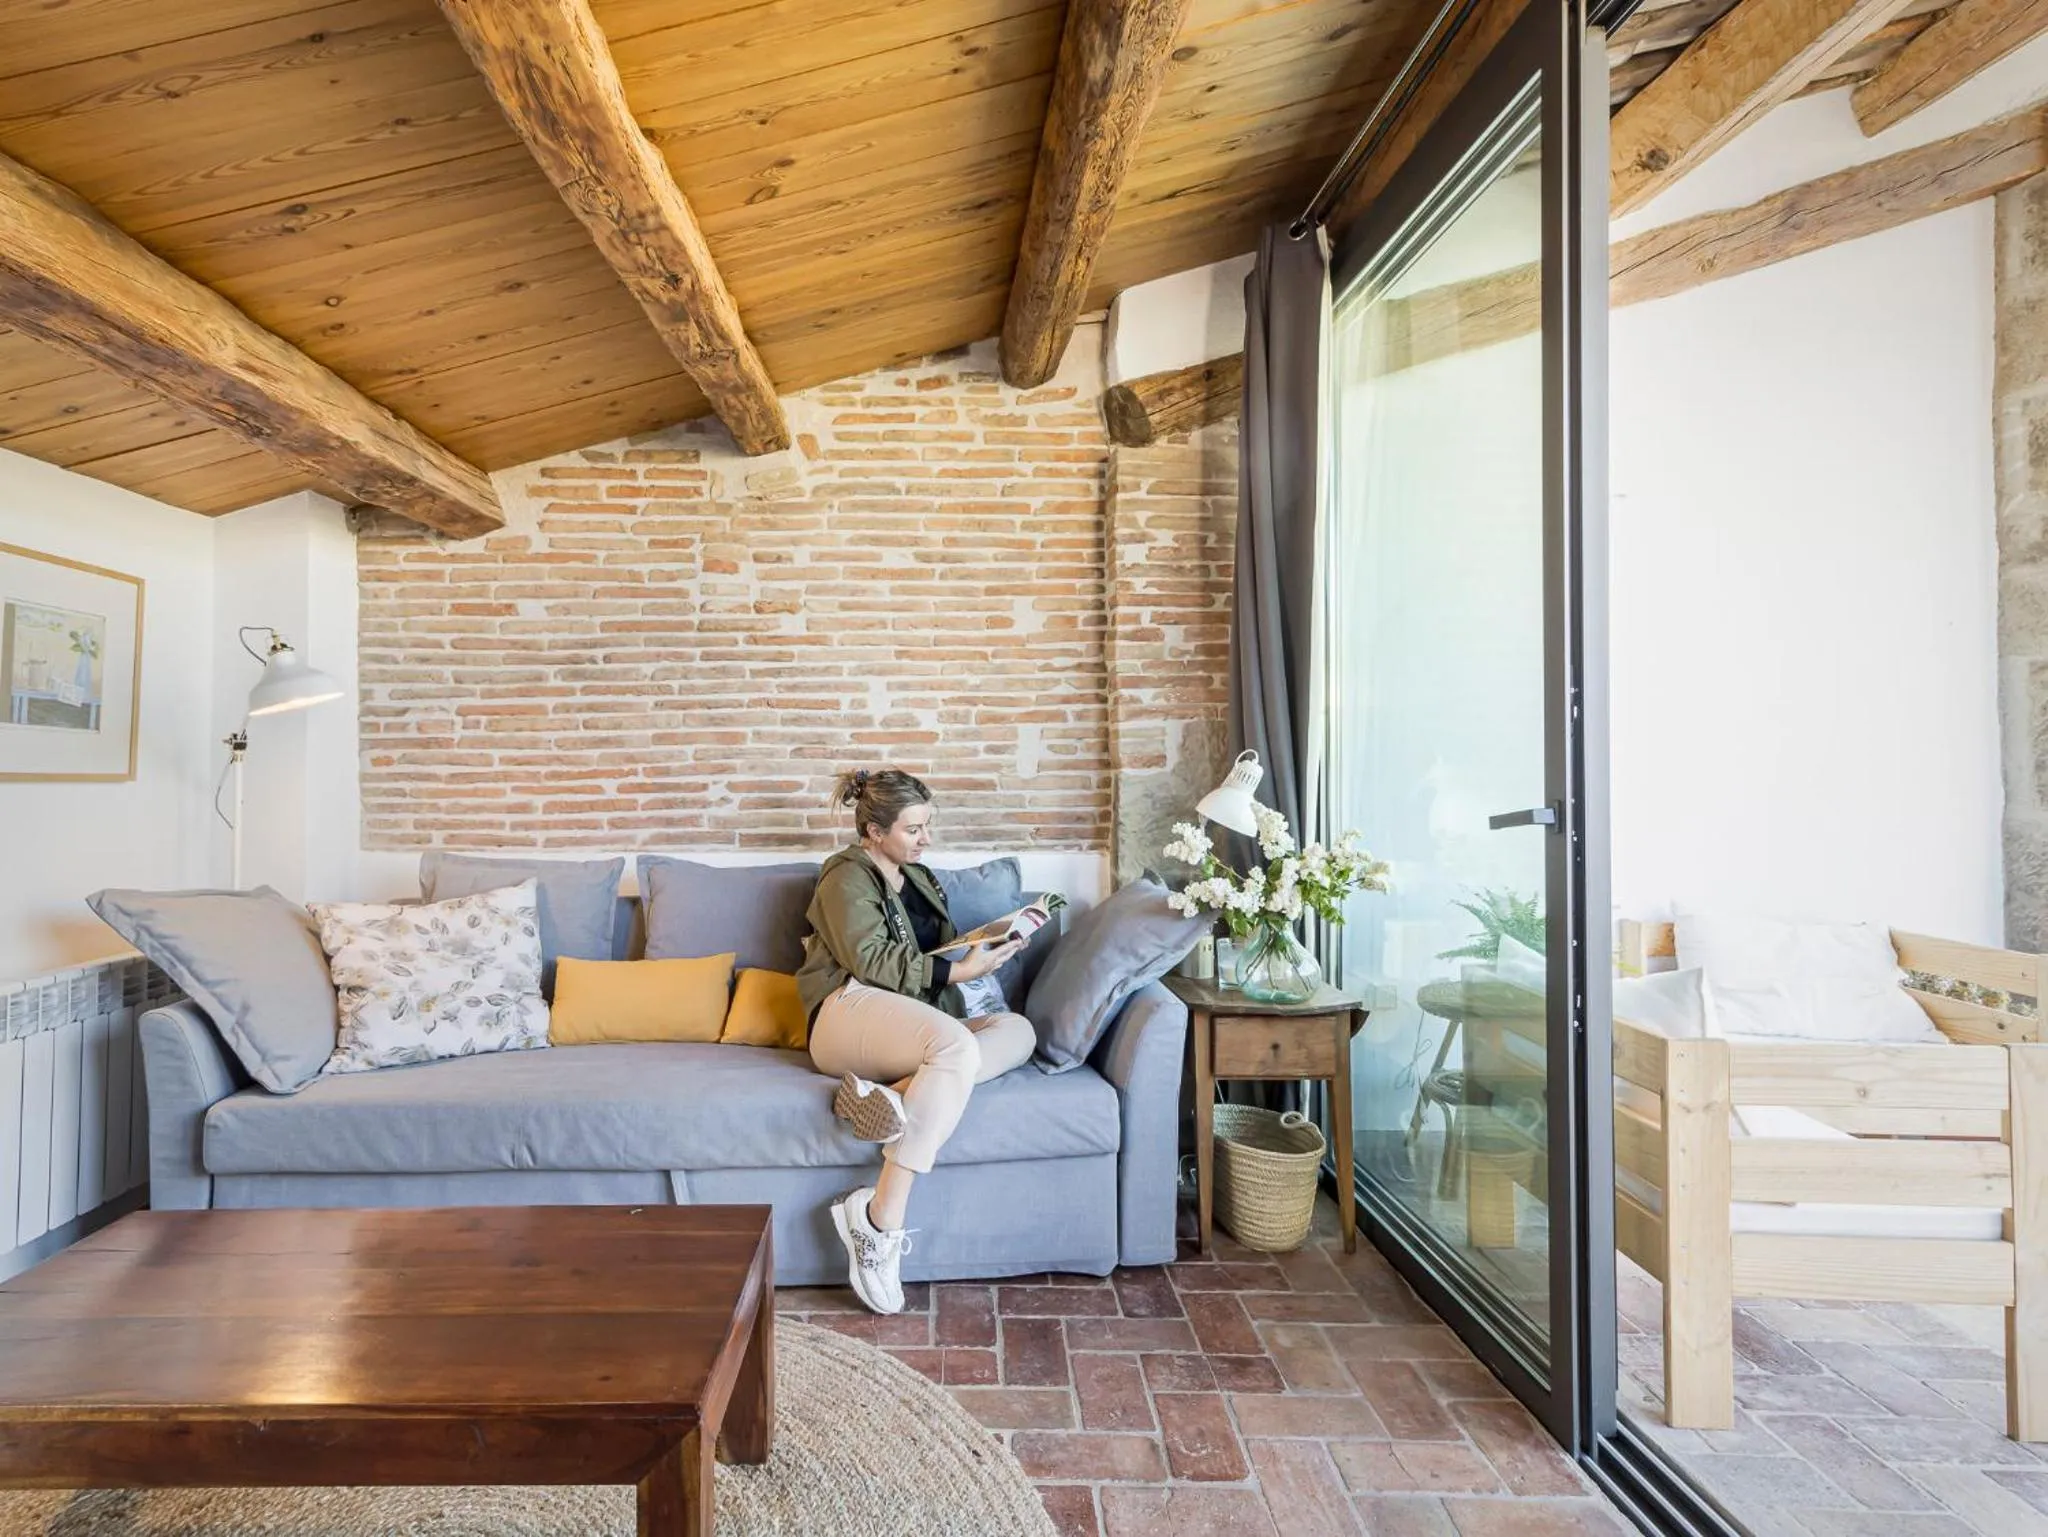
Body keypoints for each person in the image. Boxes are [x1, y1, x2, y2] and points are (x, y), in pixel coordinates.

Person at [796, 767, 1037, 1314]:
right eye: (914, 829)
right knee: (956, 1048)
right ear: (875, 831)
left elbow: (931, 955)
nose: (926, 838)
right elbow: (872, 961)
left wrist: (988, 948)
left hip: (908, 1021)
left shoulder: (921, 878)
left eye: (928, 825)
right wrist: (960, 975)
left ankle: (898, 1096)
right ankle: (879, 1221)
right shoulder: (845, 876)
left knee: (1018, 1031)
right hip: (846, 1011)